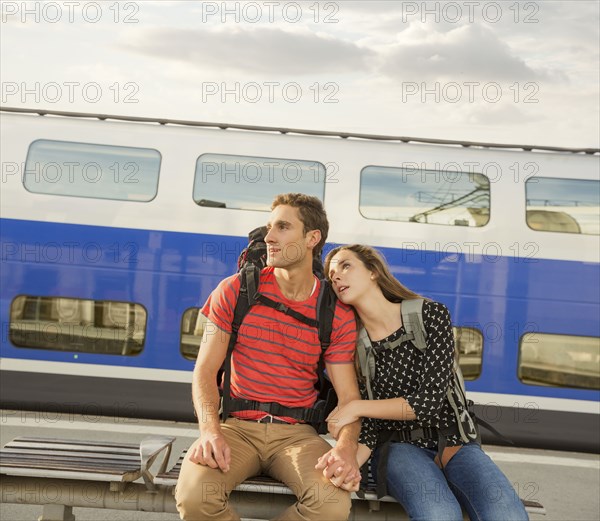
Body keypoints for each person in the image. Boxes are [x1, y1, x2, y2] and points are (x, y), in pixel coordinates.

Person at [175, 194, 362, 521]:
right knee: (195, 499)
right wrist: (209, 431)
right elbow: (204, 372)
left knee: (331, 505)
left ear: (311, 239)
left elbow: (349, 399)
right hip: (235, 429)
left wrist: (345, 449)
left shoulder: (334, 312)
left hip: (298, 436)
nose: (269, 237)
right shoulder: (235, 291)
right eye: (268, 227)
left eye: (283, 227)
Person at [321, 244, 530, 521]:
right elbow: (369, 429)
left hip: (454, 441)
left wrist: (357, 406)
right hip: (398, 448)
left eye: (345, 266)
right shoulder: (351, 343)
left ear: (373, 271)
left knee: (508, 516)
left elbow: (428, 403)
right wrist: (348, 466)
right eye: (331, 273)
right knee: (439, 515)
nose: (336, 276)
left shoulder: (430, 314)